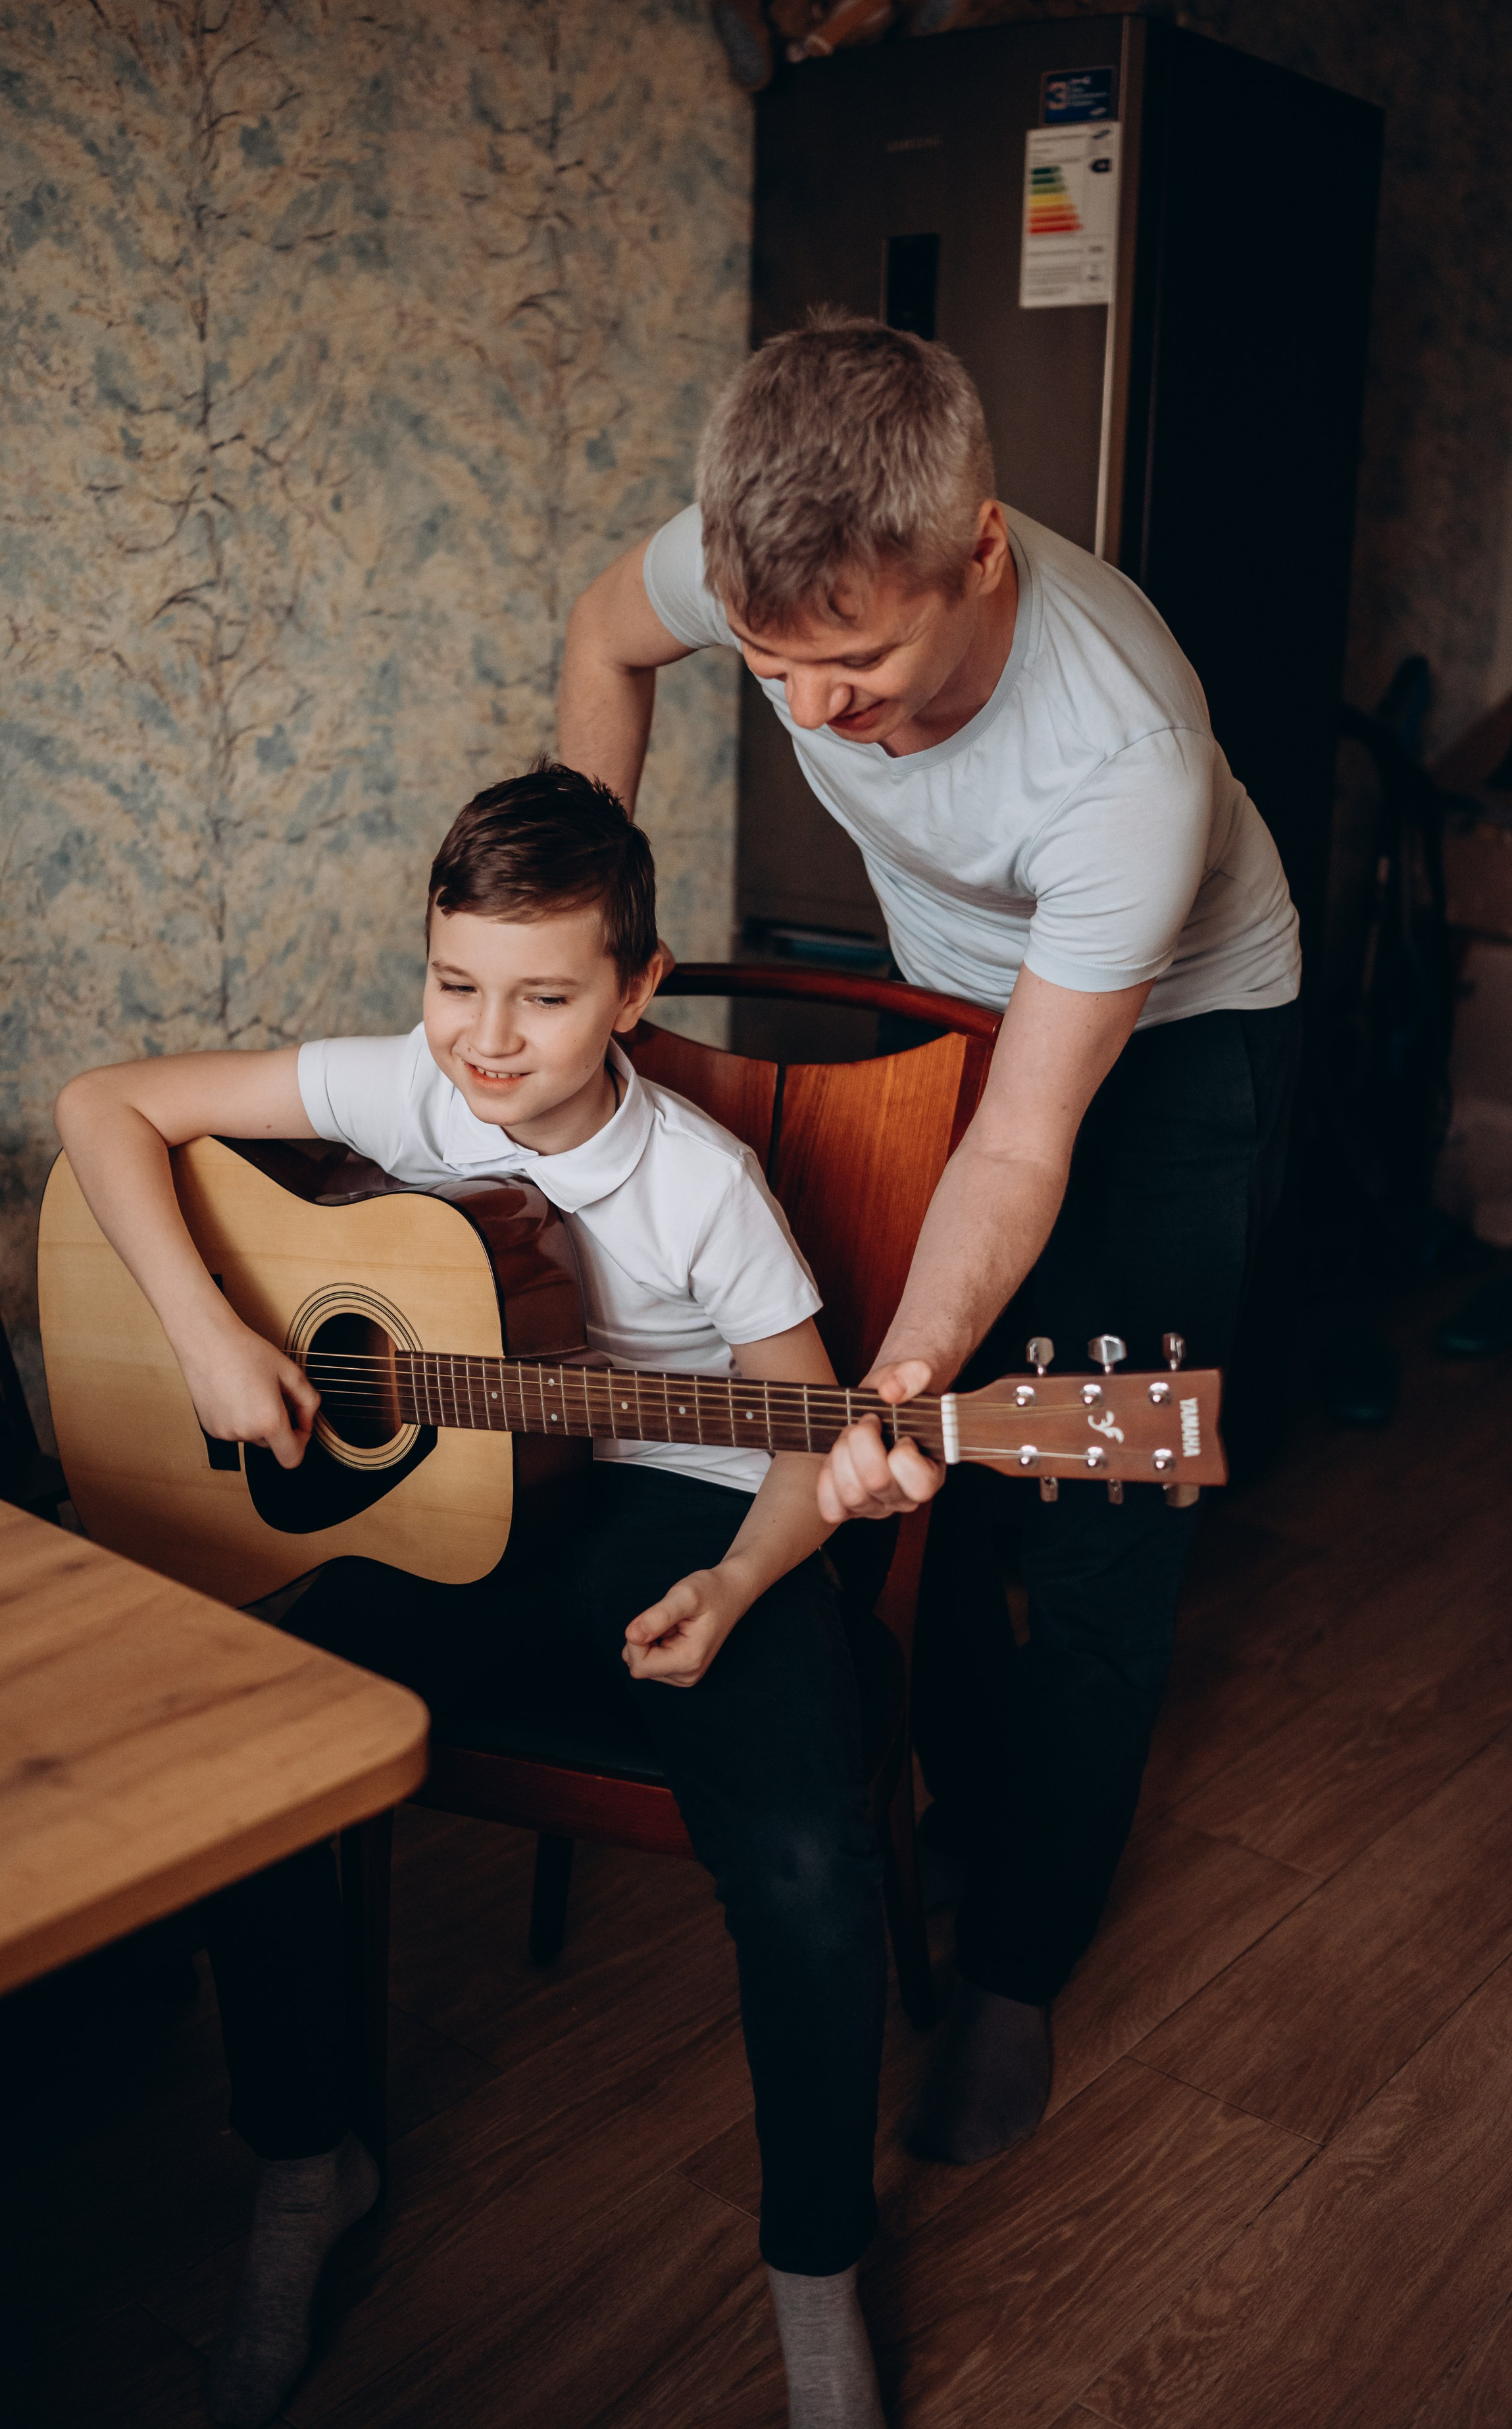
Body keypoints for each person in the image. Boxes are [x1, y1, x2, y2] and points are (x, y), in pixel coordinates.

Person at [53, 763, 892, 2429]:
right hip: (461, 1502)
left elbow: (810, 1440)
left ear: (634, 991)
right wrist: (213, 1337)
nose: (485, 1040)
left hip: (689, 1510)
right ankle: (308, 2164)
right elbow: (102, 1107)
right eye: (454, 984)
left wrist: (735, 1582)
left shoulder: (702, 1185)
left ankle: (816, 2274)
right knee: (251, 1758)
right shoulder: (407, 1086)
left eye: (542, 998)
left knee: (810, 1864)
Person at [558, 314, 1301, 2167]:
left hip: (1181, 1033)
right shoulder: (758, 567)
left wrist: (912, 1358)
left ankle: (1021, 1963)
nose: (812, 715)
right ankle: (971, 1812)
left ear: (978, 551)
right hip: (954, 997)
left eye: (859, 666)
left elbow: (1026, 1141)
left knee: (1100, 1509)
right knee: (918, 1480)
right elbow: (600, 636)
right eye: (772, 668)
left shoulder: (1127, 757)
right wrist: (577, 939)